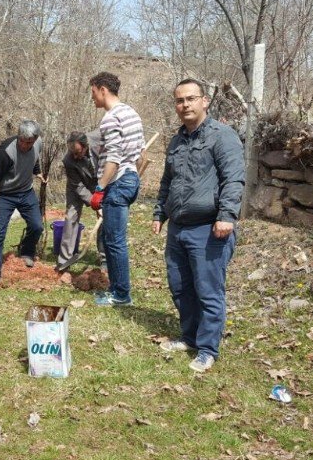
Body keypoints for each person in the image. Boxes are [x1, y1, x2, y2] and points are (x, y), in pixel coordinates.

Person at [152, 78, 245, 373]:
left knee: (208, 291)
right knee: (180, 287)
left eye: (191, 99)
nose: (185, 105)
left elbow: (234, 178)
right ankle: (189, 336)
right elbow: (168, 181)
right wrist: (159, 213)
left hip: (209, 229)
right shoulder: (177, 141)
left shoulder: (222, 136)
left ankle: (207, 348)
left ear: (205, 101)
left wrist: (227, 215)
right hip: (178, 228)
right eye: (180, 101)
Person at [88, 72, 144, 307]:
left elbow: (113, 158)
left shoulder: (110, 118)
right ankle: (116, 290)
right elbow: (142, 156)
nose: (92, 99)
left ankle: (121, 295)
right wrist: (133, 178)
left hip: (117, 183)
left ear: (103, 89)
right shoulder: (131, 113)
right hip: (129, 179)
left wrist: (100, 188)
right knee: (114, 239)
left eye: (93, 93)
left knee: (114, 241)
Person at [0, 120, 45, 285]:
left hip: (26, 192)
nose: (25, 145)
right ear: (18, 137)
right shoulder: (6, 150)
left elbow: (35, 158)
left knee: (37, 226)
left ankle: (26, 252)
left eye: (29, 143)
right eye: (22, 141)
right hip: (5, 195)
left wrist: (37, 172)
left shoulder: (38, 143)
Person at [56, 131, 105, 271]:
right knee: (71, 217)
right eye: (73, 153)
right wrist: (94, 203)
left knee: (105, 219)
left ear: (86, 146)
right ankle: (64, 261)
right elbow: (78, 186)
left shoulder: (101, 143)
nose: (75, 156)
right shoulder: (68, 160)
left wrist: (100, 202)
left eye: (78, 152)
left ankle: (104, 258)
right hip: (77, 185)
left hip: (101, 182)